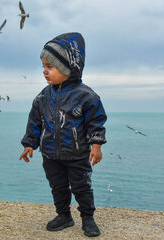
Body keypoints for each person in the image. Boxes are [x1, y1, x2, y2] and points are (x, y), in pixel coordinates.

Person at [19, 32, 107, 237]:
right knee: (57, 187)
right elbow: (34, 121)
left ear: (69, 67)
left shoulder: (86, 96)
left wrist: (96, 145)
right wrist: (29, 144)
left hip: (77, 155)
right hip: (50, 155)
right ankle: (64, 215)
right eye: (43, 66)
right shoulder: (42, 96)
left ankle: (88, 218)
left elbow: (96, 121)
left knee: (82, 187)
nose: (44, 72)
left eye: (50, 67)